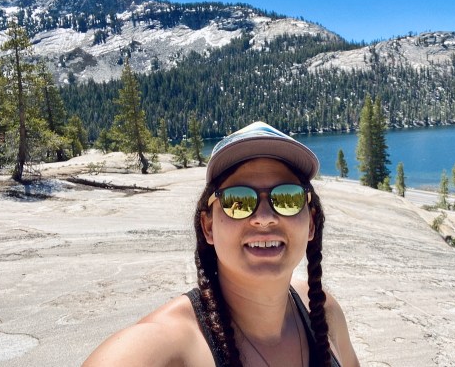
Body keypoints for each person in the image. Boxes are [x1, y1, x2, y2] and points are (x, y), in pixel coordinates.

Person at [83, 121, 359, 367]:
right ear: (209, 227)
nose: (263, 218)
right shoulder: (162, 347)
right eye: (238, 201)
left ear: (311, 223)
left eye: (287, 198)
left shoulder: (321, 311)